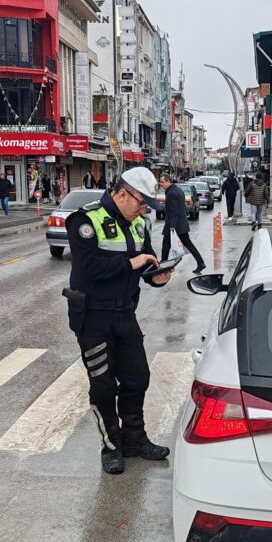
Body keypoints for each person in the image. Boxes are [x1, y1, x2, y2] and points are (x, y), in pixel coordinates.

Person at [64, 166, 172, 474]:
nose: (143, 211)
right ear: (123, 194)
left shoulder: (138, 224)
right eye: (141, 203)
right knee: (103, 386)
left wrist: (156, 276)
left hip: (125, 313)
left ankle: (135, 439)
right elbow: (88, 267)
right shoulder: (85, 220)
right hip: (93, 317)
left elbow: (145, 262)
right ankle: (111, 446)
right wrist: (133, 263)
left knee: (138, 378)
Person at [159, 174, 206, 274]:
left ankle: (163, 266)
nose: (161, 184)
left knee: (166, 246)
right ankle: (200, 262)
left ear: (168, 181)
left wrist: (172, 226)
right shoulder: (178, 190)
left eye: (162, 182)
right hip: (181, 224)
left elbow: (174, 211)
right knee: (185, 245)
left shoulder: (171, 193)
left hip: (174, 225)